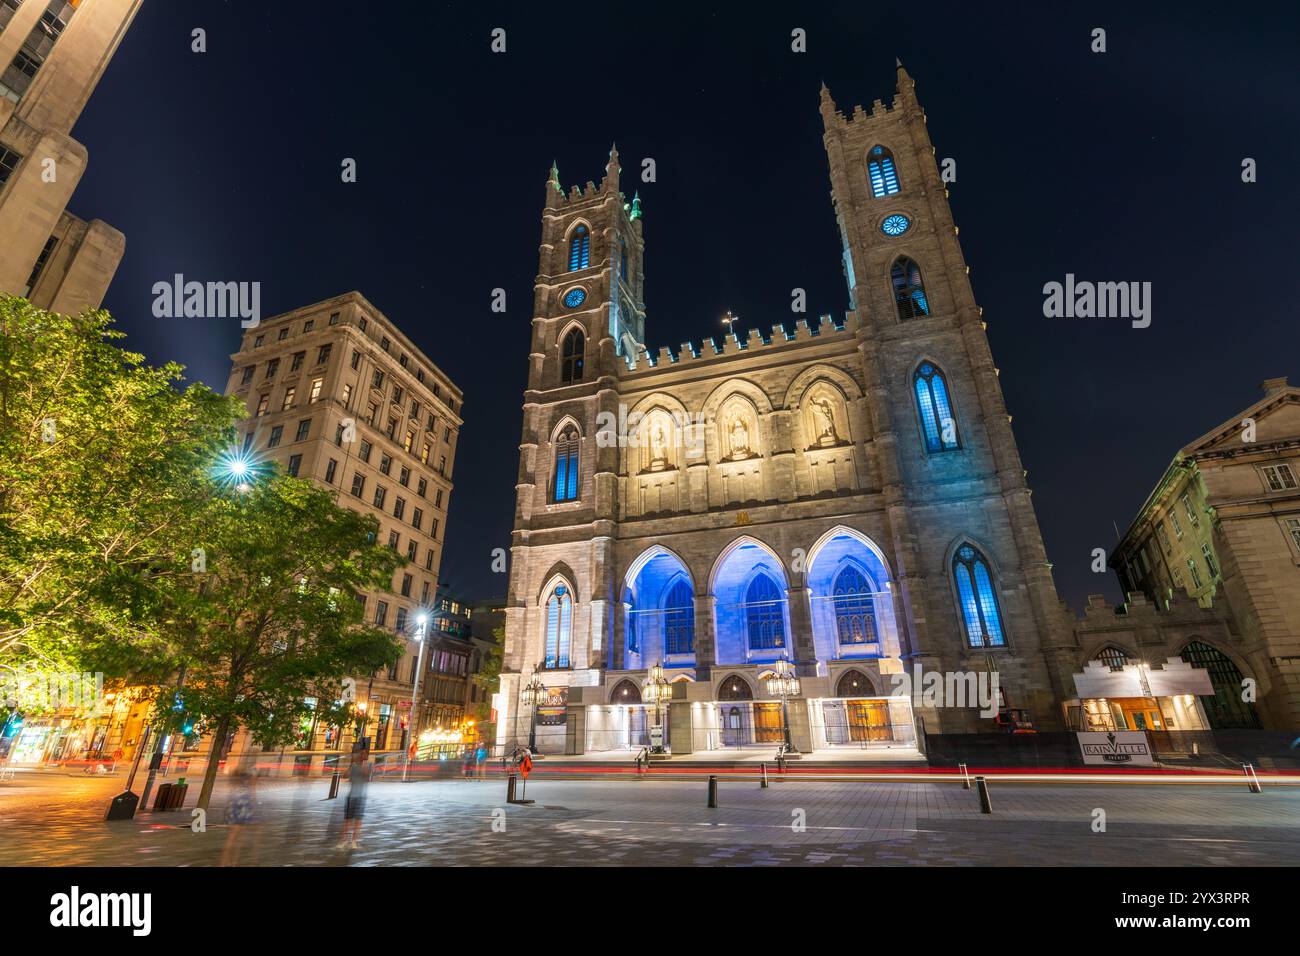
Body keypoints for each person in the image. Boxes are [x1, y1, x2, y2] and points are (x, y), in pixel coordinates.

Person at [338, 747, 372, 849]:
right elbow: (344, 776)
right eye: (360, 754)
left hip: (361, 797)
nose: (362, 756)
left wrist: (362, 763)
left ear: (366, 756)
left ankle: (354, 841)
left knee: (358, 820)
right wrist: (350, 765)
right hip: (351, 796)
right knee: (347, 819)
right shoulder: (353, 765)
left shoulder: (369, 765)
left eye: (364, 754)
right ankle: (343, 840)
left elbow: (367, 775)